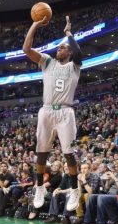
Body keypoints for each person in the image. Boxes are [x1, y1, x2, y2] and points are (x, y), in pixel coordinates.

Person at [22, 16, 82, 211]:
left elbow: (79, 51)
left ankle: (75, 188)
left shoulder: (75, 67)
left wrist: (68, 34)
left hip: (66, 111)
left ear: (70, 52)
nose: (59, 49)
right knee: (41, 153)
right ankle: (39, 186)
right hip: (46, 110)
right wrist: (34, 25)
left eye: (63, 47)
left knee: (69, 154)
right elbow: (26, 50)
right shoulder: (47, 62)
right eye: (58, 47)